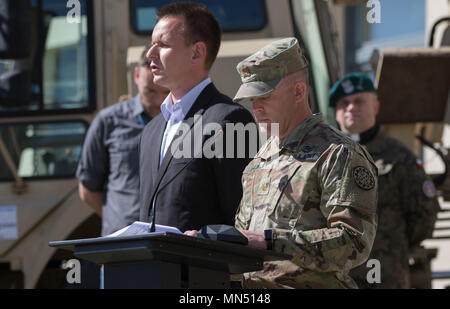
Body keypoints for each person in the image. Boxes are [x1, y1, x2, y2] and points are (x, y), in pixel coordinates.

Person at [186, 38, 378, 289]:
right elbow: (245, 245)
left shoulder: (337, 153)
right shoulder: (260, 160)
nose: (256, 107)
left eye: (264, 96)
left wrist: (267, 242)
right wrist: (209, 245)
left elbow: (354, 243)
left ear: (298, 91)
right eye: (251, 99)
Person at [139, 2, 255, 231]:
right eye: (152, 44)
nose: (150, 54)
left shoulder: (230, 122)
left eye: (162, 44)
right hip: (153, 267)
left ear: (196, 53)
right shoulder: (151, 129)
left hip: (205, 266)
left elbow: (243, 222)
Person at [330, 72, 440, 289]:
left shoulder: (399, 156)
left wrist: (391, 244)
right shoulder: (325, 158)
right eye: (344, 103)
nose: (351, 108)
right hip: (337, 277)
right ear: (336, 113)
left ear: (376, 107)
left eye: (359, 101)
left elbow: (424, 215)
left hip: (386, 274)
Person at [76, 46, 169, 236]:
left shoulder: (184, 122)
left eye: (166, 92)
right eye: (150, 91)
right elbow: (88, 189)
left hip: (169, 239)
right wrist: (118, 219)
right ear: (136, 75)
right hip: (121, 239)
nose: (159, 100)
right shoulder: (108, 121)